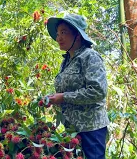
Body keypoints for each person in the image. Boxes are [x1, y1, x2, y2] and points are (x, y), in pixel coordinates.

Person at [46, 13, 109, 159]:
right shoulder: (68, 60)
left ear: (78, 36)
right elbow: (67, 91)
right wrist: (53, 98)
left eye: (64, 32)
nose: (58, 38)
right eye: (57, 33)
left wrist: (64, 97)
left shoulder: (89, 56)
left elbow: (98, 91)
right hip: (73, 128)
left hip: (91, 128)